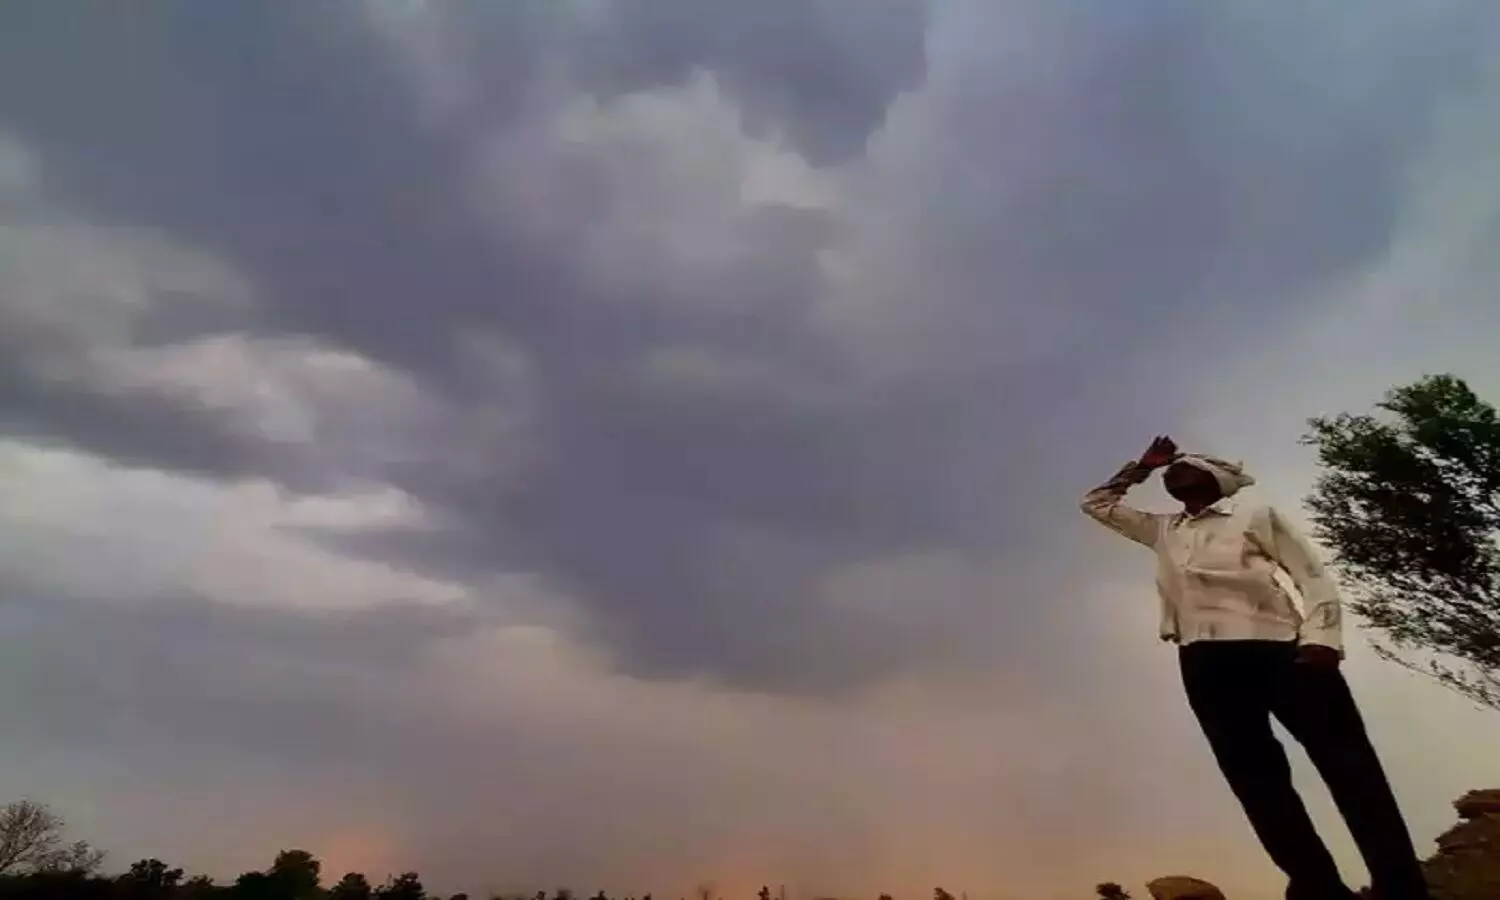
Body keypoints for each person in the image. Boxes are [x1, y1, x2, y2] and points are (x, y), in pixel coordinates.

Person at [1080, 435, 1429, 900]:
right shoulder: (1163, 530)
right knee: (1256, 782)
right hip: (1204, 661)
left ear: (1214, 477)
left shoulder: (1253, 517)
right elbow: (1097, 504)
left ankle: (1401, 886)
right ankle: (1318, 887)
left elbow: (1311, 576)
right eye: (1170, 468)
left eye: (1186, 465)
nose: (1174, 470)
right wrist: (1142, 467)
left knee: (1350, 768)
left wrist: (1322, 639)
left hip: (1284, 651)